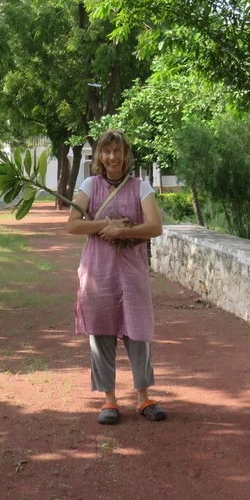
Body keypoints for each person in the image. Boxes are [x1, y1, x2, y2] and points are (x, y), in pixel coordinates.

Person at [66, 129, 167, 425]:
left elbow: (155, 227)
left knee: (139, 333)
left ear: (126, 155)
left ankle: (143, 396)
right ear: (99, 156)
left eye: (118, 151)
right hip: (98, 271)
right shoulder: (89, 185)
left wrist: (122, 231)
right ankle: (109, 399)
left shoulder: (140, 187)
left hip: (132, 272)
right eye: (107, 151)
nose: (112, 157)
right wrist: (103, 225)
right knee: (101, 333)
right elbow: (72, 225)